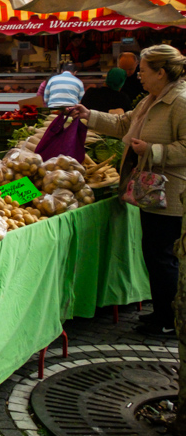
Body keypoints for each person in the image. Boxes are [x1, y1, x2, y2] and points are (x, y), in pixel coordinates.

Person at [68, 45, 186, 337]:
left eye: (144, 71)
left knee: (163, 256)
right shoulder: (151, 100)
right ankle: (161, 312)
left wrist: (153, 150)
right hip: (150, 192)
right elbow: (123, 123)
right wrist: (89, 115)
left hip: (172, 194)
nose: (140, 77)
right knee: (154, 253)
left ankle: (170, 321)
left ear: (161, 72)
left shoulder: (180, 102)